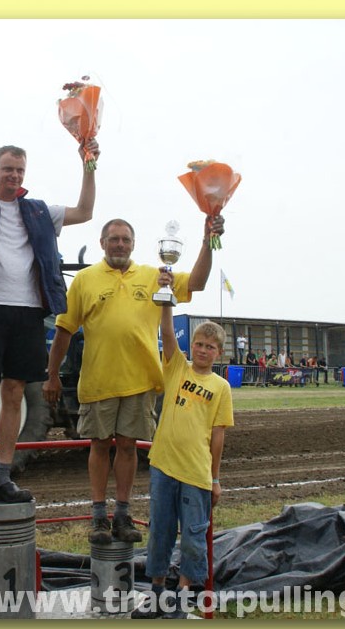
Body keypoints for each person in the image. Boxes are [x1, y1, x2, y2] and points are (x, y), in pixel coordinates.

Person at [43, 215, 224, 545]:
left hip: (141, 382)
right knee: (99, 446)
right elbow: (64, 330)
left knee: (127, 448)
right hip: (98, 381)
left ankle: (123, 514)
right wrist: (52, 375)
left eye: (125, 239)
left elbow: (197, 282)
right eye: (114, 239)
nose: (120, 245)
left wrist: (207, 241)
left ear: (134, 244)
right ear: (102, 243)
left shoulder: (156, 277)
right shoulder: (84, 280)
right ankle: (99, 515)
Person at [0, 135, 100, 506]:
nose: (13, 175)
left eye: (19, 170)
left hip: (28, 311)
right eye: (7, 169)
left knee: (14, 393)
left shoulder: (39, 211)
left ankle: (3, 475)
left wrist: (88, 165)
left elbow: (85, 211)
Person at [131, 309, 233, 619]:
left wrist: (215, 479)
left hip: (196, 474)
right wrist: (166, 304)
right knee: (160, 532)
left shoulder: (221, 387)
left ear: (219, 353)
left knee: (192, 538)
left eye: (210, 347)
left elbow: (218, 436)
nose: (203, 350)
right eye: (199, 344)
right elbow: (167, 332)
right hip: (163, 466)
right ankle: (157, 593)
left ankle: (183, 597)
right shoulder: (177, 368)